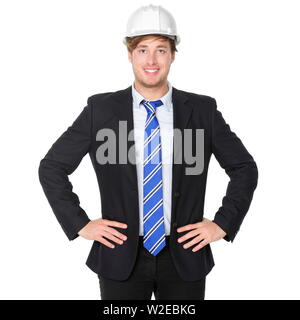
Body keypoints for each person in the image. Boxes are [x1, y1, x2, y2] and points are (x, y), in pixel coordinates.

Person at [38, 4, 258, 300]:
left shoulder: (202, 111)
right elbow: (52, 167)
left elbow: (244, 168)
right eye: (142, 50)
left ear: (173, 55)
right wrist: (80, 224)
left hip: (185, 254)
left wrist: (223, 223)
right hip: (120, 256)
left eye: (161, 50)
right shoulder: (100, 111)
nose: (151, 60)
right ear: (129, 54)